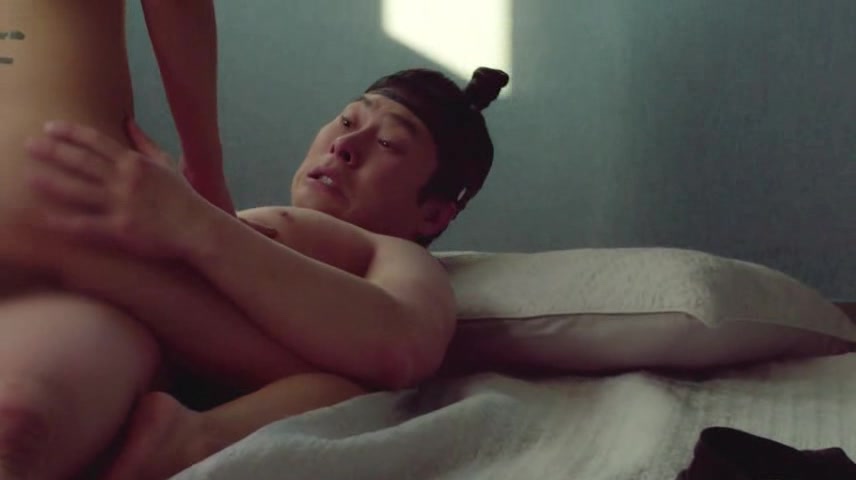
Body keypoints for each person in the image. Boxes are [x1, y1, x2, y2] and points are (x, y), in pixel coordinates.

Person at [24, 65, 509, 479]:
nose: (345, 144)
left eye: (387, 142)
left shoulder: (395, 254)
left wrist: (193, 222)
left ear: (433, 215)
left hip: (139, 336)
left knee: (347, 391)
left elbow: (402, 343)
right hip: (111, 330)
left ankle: (187, 439)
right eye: (347, 120)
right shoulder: (233, 220)